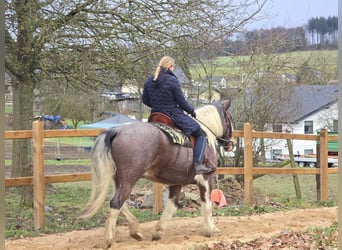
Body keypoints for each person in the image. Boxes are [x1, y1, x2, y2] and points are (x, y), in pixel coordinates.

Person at [142, 56, 212, 174]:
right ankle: (198, 164)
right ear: (170, 67)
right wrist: (192, 111)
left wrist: (156, 106)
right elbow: (181, 101)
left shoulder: (149, 80)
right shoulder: (172, 80)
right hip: (172, 115)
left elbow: (145, 100)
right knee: (201, 135)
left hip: (155, 115)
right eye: (173, 67)